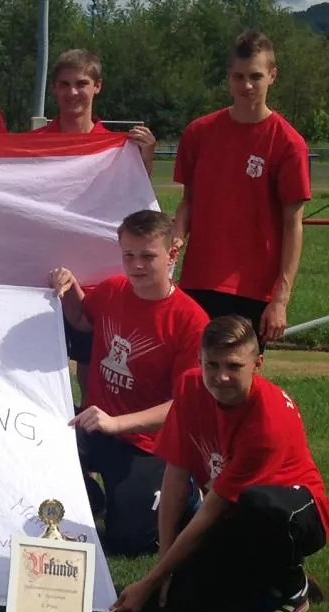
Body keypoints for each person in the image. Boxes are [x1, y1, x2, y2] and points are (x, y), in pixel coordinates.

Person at [117, 315, 329, 612]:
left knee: (259, 504)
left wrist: (150, 580)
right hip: (234, 510)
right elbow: (175, 475)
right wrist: (164, 569)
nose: (221, 377)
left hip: (297, 513)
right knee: (177, 602)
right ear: (199, 361)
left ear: (258, 364)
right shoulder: (190, 387)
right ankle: (261, 576)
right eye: (212, 365)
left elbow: (213, 508)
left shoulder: (267, 420)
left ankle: (293, 587)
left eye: (234, 366)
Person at [49, 210, 210, 556]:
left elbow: (184, 406)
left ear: (172, 254)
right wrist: (69, 287)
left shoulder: (191, 321)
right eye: (128, 255)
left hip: (146, 443)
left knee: (130, 542)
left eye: (148, 256)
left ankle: (184, 491)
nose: (136, 265)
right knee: (33, 456)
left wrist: (117, 423)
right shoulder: (113, 290)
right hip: (93, 426)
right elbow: (82, 319)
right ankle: (91, 497)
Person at [172, 30, 311, 342]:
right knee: (193, 366)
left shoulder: (288, 143)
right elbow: (188, 202)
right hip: (198, 281)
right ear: (228, 76)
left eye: (255, 76)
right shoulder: (198, 133)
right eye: (239, 77)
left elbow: (293, 225)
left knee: (237, 371)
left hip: (254, 289)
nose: (246, 85)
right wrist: (175, 239)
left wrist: (281, 298)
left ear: (272, 76)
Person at [28, 49, 155, 160]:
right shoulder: (30, 145)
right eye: (64, 84)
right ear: (54, 88)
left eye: (81, 84)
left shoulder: (117, 150)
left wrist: (145, 162)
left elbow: (131, 181)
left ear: (97, 86)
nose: (72, 92)